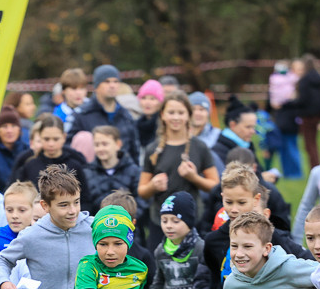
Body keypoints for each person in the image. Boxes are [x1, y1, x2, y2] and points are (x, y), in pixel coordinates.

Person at [138, 91, 219, 249]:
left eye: (181, 113)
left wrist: (194, 177)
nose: (176, 117)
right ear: (162, 115)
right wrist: (152, 186)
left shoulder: (199, 147)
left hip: (191, 221)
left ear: (188, 115)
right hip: (159, 222)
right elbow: (142, 190)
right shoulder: (153, 149)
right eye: (171, 112)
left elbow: (215, 185)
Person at [67, 65, 140, 166]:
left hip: (123, 176)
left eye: (116, 81)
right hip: (90, 175)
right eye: (107, 81)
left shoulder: (126, 116)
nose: (112, 85)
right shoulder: (82, 115)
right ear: (96, 86)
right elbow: (69, 150)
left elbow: (134, 152)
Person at [12, 114, 91, 205]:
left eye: (56, 139)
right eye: (46, 139)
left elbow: (85, 199)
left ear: (64, 137)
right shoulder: (29, 164)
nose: (51, 144)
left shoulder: (75, 165)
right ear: (40, 137)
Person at [281, 54, 320, 169]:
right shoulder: (319, 78)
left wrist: (287, 103)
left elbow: (303, 99)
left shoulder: (305, 80)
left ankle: (314, 168)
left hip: (307, 115)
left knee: (309, 144)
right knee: (313, 143)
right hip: (317, 114)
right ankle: (316, 166)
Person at [83, 125, 140, 211]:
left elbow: (141, 200)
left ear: (118, 144)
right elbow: (85, 202)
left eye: (105, 144)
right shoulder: (87, 172)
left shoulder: (133, 171)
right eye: (97, 145)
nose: (100, 148)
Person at [0, 181, 38, 266]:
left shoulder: (41, 237)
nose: (14, 215)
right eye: (9, 210)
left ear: (35, 209)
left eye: (22, 210)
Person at [0, 105, 29, 193]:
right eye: (4, 126)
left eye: (13, 126)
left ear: (19, 129)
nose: (9, 130)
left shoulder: (29, 152)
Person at [212, 98, 260, 168]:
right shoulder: (219, 151)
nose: (253, 131)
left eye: (253, 127)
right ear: (233, 125)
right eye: (248, 127)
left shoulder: (248, 145)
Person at [135, 80, 163, 150]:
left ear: (160, 102)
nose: (147, 102)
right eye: (144, 98)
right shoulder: (135, 125)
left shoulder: (163, 125)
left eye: (152, 99)